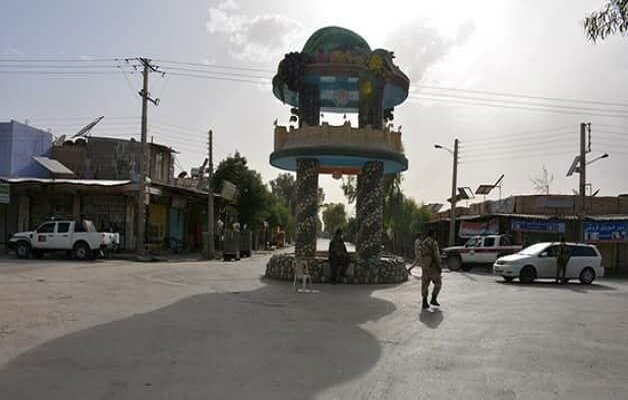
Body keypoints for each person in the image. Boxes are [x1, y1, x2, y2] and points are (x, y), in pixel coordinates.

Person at [421, 229, 442, 309]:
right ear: (433, 234)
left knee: (425, 284)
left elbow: (421, 254)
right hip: (433, 266)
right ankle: (433, 298)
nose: (435, 235)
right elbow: (436, 255)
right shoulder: (433, 242)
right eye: (435, 233)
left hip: (425, 266)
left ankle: (424, 302)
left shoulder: (423, 242)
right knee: (438, 283)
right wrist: (439, 266)